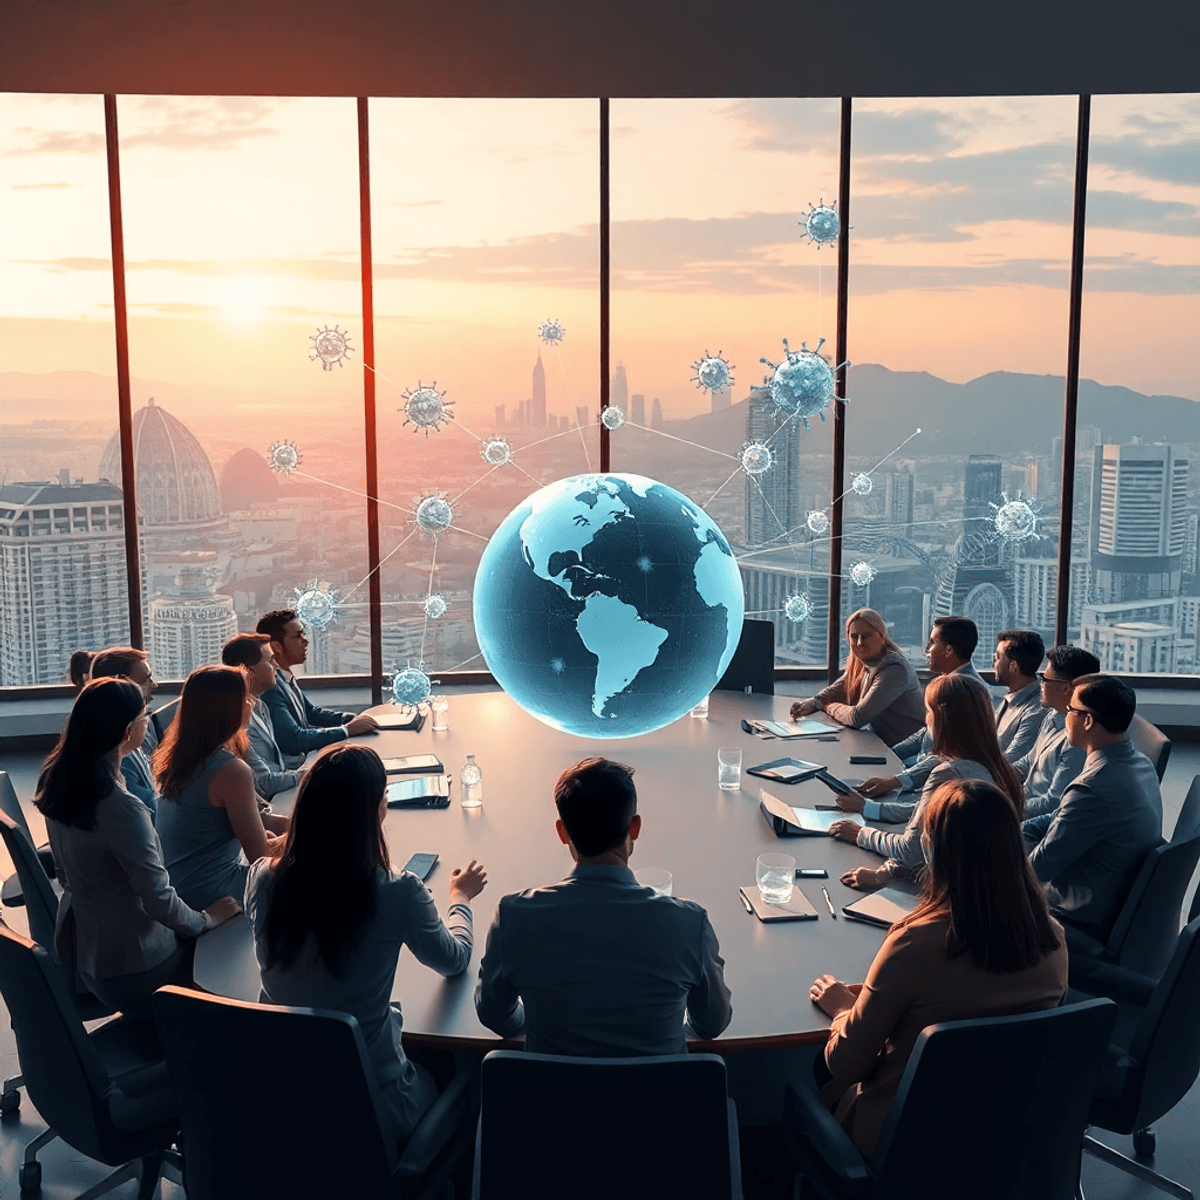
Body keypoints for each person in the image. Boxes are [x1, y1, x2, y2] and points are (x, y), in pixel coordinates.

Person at [808, 778, 1067, 1159]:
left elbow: (846, 1064)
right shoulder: (1054, 939)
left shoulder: (913, 945)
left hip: (906, 1144)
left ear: (935, 852)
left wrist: (842, 1010)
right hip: (1004, 1137)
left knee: (811, 1073)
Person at [245, 744, 487, 1146]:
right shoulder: (397, 892)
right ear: (375, 810)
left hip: (284, 1094)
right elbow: (456, 960)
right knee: (454, 1064)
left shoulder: (264, 879)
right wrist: (459, 898)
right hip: (374, 1107)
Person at [475, 758, 732, 1053]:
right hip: (657, 1099)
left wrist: (530, 1019)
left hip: (552, 1099)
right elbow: (712, 1024)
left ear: (562, 832)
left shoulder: (514, 917)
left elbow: (494, 1016)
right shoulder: (689, 923)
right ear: (635, 827)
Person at [34, 678, 241, 1019]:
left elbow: (62, 872)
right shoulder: (119, 806)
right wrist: (207, 919)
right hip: (141, 970)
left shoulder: (57, 780)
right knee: (233, 946)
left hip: (90, 961)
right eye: (146, 714)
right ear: (129, 730)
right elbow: (159, 901)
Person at [829, 672, 1025, 889]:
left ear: (942, 718)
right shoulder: (997, 768)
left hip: (948, 898)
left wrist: (861, 834)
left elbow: (910, 852)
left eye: (929, 711)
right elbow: (923, 812)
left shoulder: (950, 774)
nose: (925, 718)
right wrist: (869, 808)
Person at [1025, 674, 1162, 940]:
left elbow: (1037, 870)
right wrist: (1022, 829)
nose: (1065, 717)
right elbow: (1058, 815)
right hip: (1108, 894)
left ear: (1087, 720)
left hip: (1071, 917)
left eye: (1070, 710)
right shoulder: (1142, 763)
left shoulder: (1093, 787)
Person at [154, 665, 287, 911]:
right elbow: (260, 859)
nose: (253, 704)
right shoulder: (231, 770)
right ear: (228, 707)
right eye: (246, 697)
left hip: (184, 886)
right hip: (214, 890)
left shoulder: (180, 759)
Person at [855, 615, 989, 803]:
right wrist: (890, 755)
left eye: (932, 643)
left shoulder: (965, 692)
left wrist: (895, 781)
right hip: (919, 769)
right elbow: (926, 734)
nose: (927, 650)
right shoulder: (945, 682)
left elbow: (947, 757)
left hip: (937, 782)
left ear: (949, 650)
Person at [788, 609, 924, 749]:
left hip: (905, 752)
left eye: (866, 636)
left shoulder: (894, 669)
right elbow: (843, 686)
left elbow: (858, 717)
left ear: (882, 635)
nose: (859, 643)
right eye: (854, 636)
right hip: (880, 744)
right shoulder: (864, 660)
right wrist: (814, 701)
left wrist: (827, 706)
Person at [256, 608, 378, 761]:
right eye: (298, 636)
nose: (305, 641)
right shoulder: (270, 687)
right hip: (295, 768)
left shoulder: (285, 676)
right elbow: (293, 740)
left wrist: (348, 718)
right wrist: (346, 730)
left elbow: (311, 713)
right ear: (277, 647)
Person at [1014, 645, 1098, 821]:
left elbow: (1054, 804)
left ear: (1067, 688)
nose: (1040, 684)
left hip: (1034, 820)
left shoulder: (1075, 741)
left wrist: (1011, 806)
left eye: (1045, 679)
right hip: (1022, 801)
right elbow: (1029, 761)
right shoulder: (1052, 715)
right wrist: (997, 776)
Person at [221, 633, 303, 801]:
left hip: (281, 795)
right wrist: (309, 775)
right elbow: (264, 783)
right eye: (271, 660)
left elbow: (274, 764)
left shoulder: (260, 706)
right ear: (250, 670)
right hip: (268, 805)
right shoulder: (237, 721)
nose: (277, 667)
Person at [89, 645, 159, 820]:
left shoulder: (137, 739)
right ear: (120, 683)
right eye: (146, 678)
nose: (154, 684)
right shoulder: (120, 763)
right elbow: (150, 818)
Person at [992, 628, 1046, 762]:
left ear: (1013, 666)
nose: (994, 664)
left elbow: (1013, 759)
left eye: (998, 657)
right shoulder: (1012, 696)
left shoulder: (1036, 711)